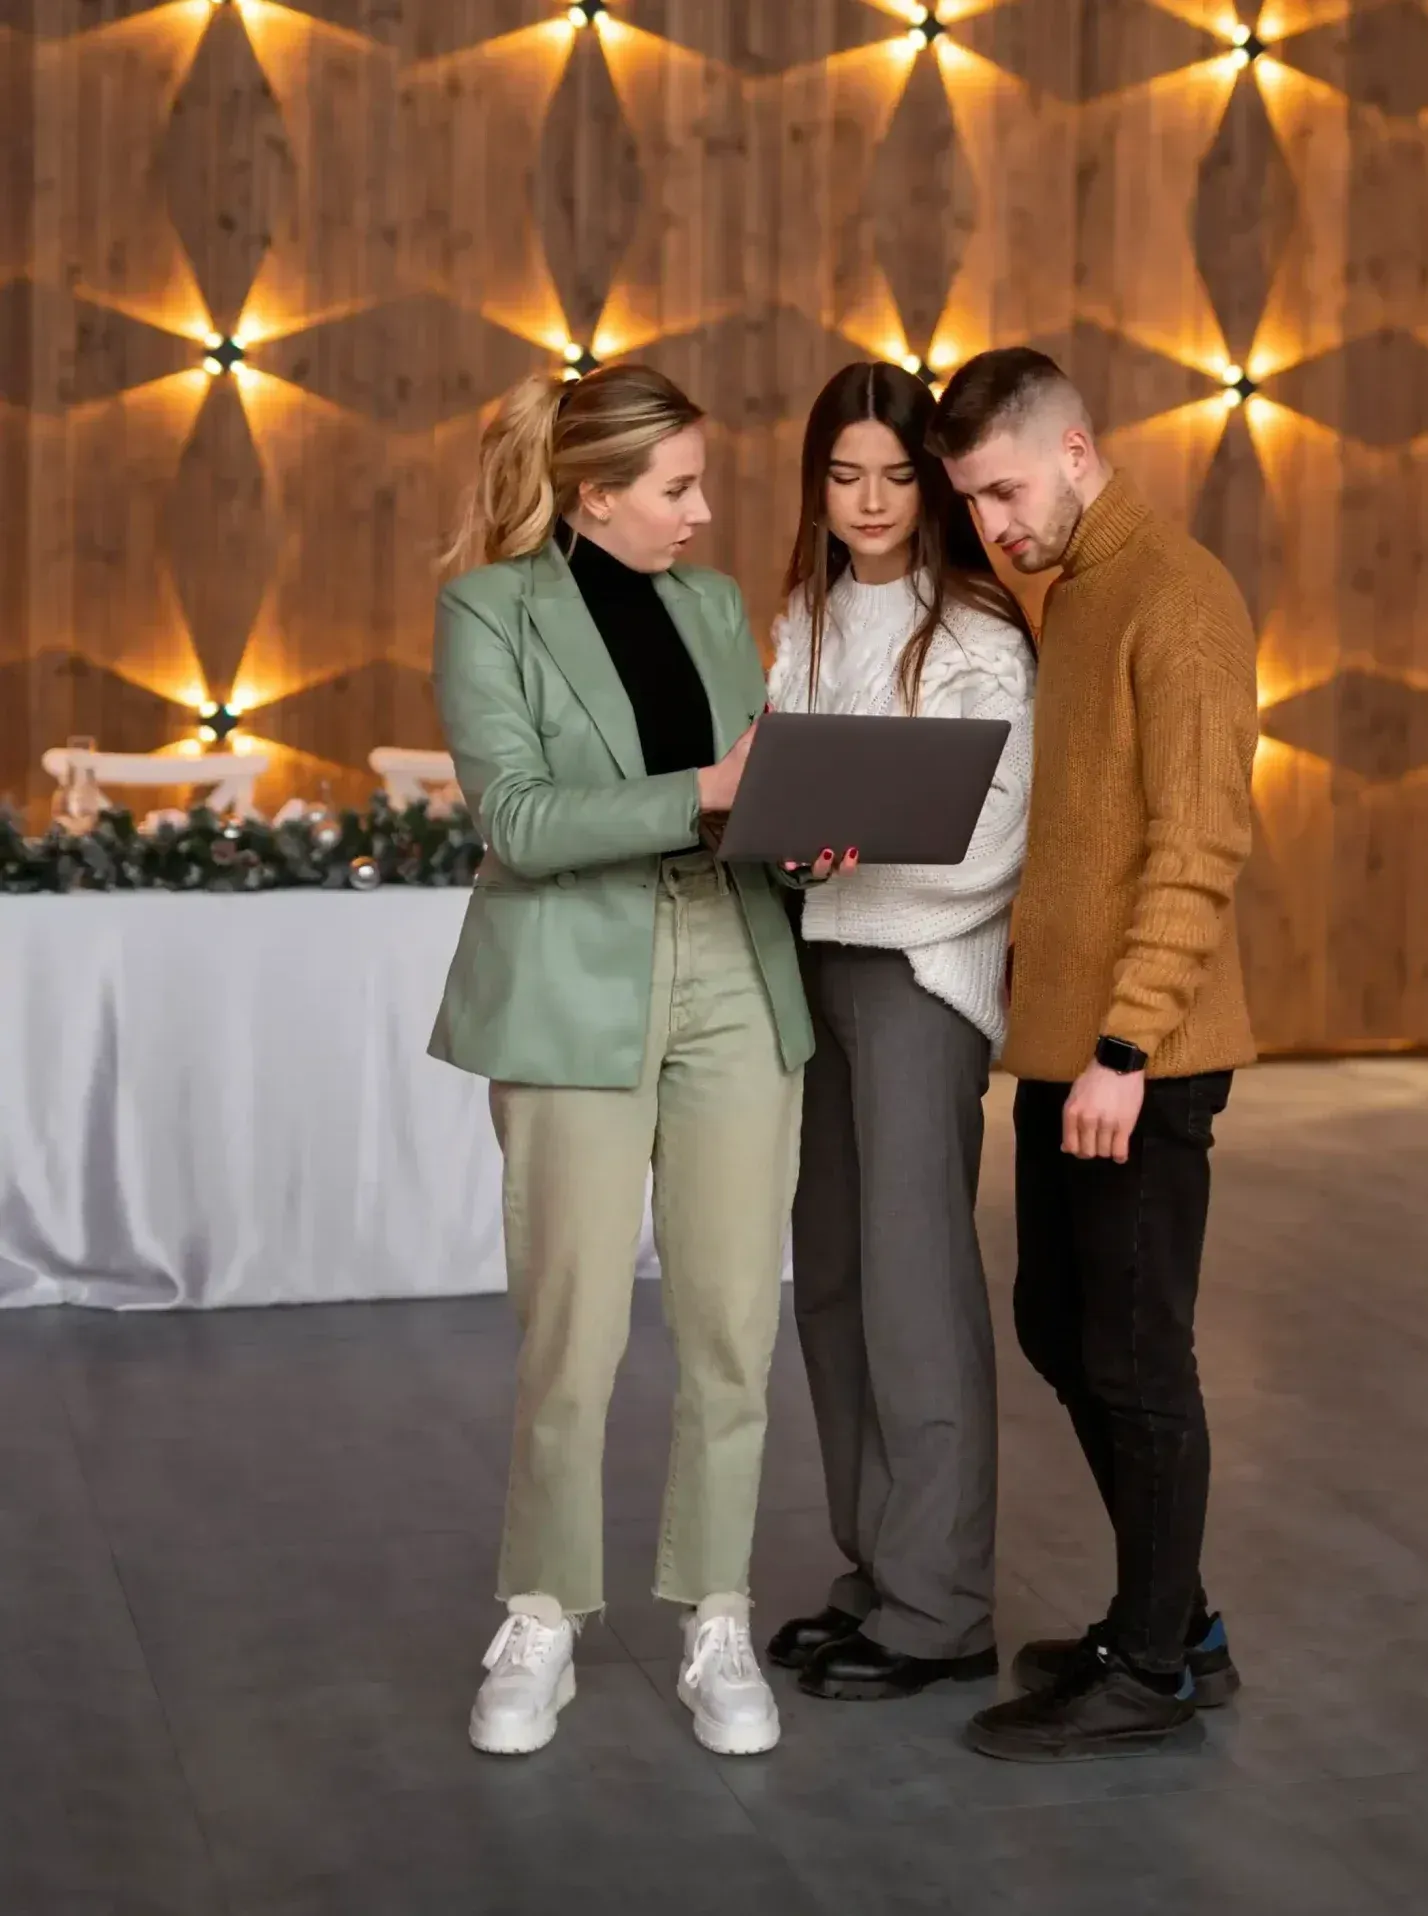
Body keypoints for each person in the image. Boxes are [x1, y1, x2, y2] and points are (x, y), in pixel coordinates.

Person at [430, 365, 813, 1760]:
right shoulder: (488, 609)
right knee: (572, 1330)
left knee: (733, 1324)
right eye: (676, 489)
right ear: (594, 495)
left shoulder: (710, 607)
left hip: (734, 958)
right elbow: (521, 821)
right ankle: (543, 1615)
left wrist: (801, 828)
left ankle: (718, 1612)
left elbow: (756, 794)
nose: (700, 515)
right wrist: (711, 790)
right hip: (569, 977)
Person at [926, 347, 1259, 1761]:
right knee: (1061, 1328)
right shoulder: (1070, 592)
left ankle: (1154, 1666)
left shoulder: (1177, 596)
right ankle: (1173, 1621)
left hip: (1141, 1057)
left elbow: (1199, 841)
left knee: (1134, 1356)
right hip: (1066, 1051)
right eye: (971, 501)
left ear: (1075, 450)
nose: (991, 524)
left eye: (1003, 490)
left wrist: (1127, 1044)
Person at [762, 362, 1035, 1700]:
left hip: (921, 980)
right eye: (842, 475)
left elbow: (993, 844)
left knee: (915, 1290)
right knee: (830, 1283)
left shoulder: (979, 633)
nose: (868, 501)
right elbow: (774, 791)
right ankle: (877, 1567)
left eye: (894, 475)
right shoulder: (802, 618)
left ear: (931, 483)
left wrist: (845, 858)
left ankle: (941, 1611)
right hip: (813, 968)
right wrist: (796, 854)